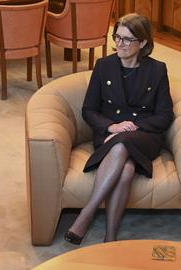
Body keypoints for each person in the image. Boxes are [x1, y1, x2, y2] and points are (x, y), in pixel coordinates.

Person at [64, 13, 174, 245]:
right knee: (125, 171)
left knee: (124, 141)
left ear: (143, 43)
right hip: (109, 135)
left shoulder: (157, 70)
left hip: (143, 136)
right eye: (117, 37)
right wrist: (112, 126)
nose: (119, 44)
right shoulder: (104, 66)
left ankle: (87, 213)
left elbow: (165, 115)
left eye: (127, 39)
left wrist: (133, 126)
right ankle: (110, 237)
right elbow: (89, 109)